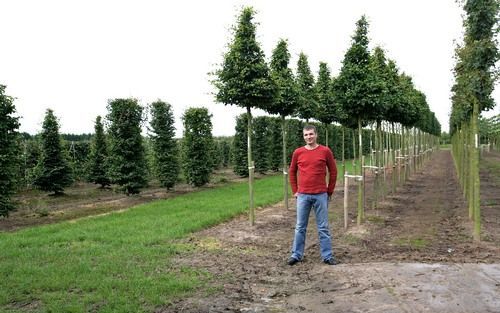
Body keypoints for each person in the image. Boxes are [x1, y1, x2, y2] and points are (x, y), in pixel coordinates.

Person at [287, 125, 338, 266]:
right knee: (300, 227)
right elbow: (292, 172)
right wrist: (295, 190)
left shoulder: (325, 151)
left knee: (323, 227)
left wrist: (329, 191)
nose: (308, 137)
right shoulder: (298, 152)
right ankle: (296, 255)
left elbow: (333, 171)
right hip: (303, 195)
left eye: (311, 134)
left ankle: (327, 256)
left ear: (316, 135)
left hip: (320, 195)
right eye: (306, 135)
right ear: (303, 136)